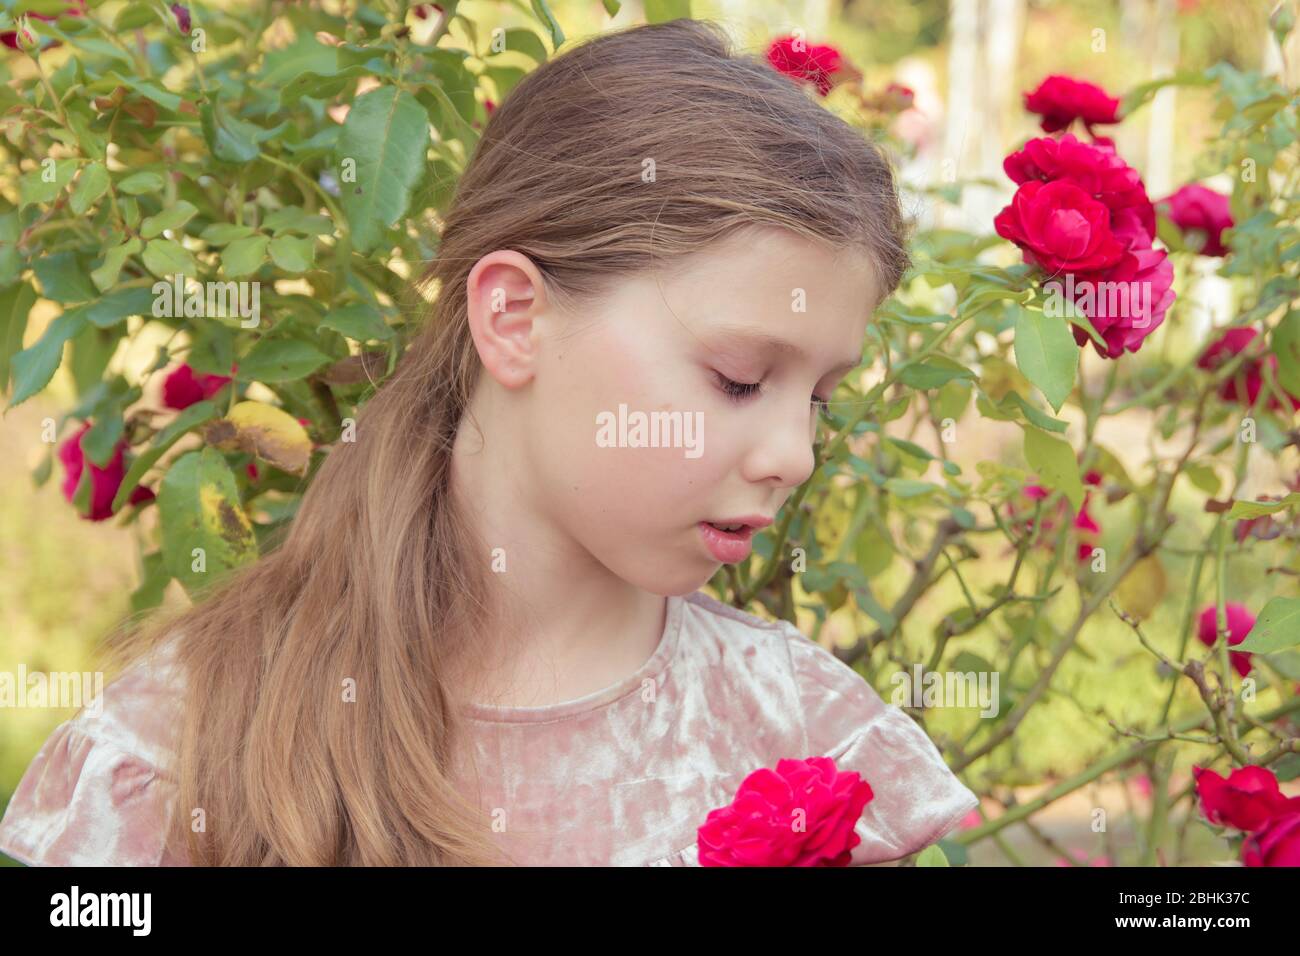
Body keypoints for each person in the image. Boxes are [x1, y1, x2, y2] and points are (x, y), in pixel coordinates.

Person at [0, 18, 977, 867]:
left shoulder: (811, 740)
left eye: (818, 397)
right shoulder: (185, 742)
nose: (792, 454)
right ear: (514, 316)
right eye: (736, 378)